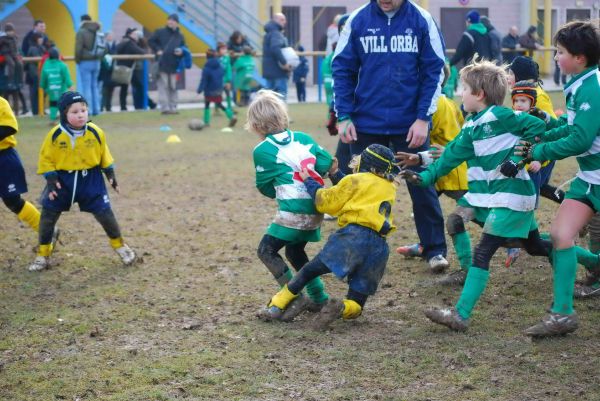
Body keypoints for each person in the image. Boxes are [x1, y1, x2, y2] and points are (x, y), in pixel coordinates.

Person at [400, 60, 549, 333]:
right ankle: (591, 261)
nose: (460, 94)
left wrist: (518, 156)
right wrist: (423, 177)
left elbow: (539, 128)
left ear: (479, 94)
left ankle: (460, 313)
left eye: (464, 88)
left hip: (513, 194)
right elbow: (451, 156)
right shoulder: (471, 125)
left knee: (484, 250)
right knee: (537, 246)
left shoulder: (502, 116)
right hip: (490, 195)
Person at [333, 0, 449, 272]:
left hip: (411, 124)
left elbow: (435, 71)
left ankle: (434, 250)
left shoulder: (422, 20)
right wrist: (344, 115)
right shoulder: (358, 20)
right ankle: (355, 252)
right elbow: (342, 69)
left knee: (422, 185)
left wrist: (423, 118)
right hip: (365, 123)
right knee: (360, 190)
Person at [514, 21, 600, 336]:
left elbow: (579, 139)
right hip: (590, 178)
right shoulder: (580, 82)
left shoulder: (593, 87)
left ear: (580, 57)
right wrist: (543, 134)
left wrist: (541, 150)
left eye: (560, 52)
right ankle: (563, 314)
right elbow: (571, 128)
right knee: (561, 235)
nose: (555, 57)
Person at [258, 143, 399, 328]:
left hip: (353, 238)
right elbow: (356, 190)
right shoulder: (389, 187)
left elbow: (326, 203)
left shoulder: (355, 180)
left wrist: (309, 180)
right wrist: (334, 172)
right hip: (379, 247)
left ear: (365, 163)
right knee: (357, 302)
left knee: (309, 271)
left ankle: (276, 306)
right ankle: (342, 307)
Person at [248, 90, 334, 321]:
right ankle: (319, 297)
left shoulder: (262, 150)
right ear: (283, 116)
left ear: (255, 125)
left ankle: (293, 296)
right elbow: (328, 164)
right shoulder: (305, 138)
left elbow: (264, 186)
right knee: (295, 251)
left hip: (294, 212)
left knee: (266, 250)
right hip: (316, 208)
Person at [29, 91, 136, 272]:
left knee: (105, 214)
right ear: (64, 114)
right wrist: (51, 178)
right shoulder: (55, 135)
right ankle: (43, 255)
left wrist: (110, 173)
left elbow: (104, 155)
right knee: (47, 217)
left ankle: (121, 247)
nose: (80, 115)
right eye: (75, 112)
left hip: (91, 179)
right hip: (62, 181)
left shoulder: (96, 132)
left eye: (83, 110)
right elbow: (46, 158)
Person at [395, 64, 468, 262]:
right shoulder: (449, 103)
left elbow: (440, 139)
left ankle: (509, 238)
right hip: (439, 167)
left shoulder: (435, 106)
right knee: (423, 204)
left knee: (474, 211)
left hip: (449, 168)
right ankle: (426, 245)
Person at [0, 96, 46, 244]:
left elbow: (10, 127)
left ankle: (47, 231)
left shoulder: (1, 103)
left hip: (4, 158)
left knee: (13, 202)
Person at [149, 14, 185, 114]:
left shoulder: (180, 35)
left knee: (173, 87)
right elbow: (151, 41)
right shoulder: (160, 32)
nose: (170, 22)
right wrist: (157, 50)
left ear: (177, 23)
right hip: (162, 63)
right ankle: (165, 108)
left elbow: (184, 47)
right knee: (163, 86)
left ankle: (173, 107)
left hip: (174, 64)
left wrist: (181, 51)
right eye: (169, 20)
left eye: (173, 20)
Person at [197, 49, 236, 128]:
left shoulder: (206, 68)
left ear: (207, 57)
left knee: (207, 104)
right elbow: (222, 74)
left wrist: (200, 89)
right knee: (219, 104)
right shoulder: (219, 66)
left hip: (209, 90)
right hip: (219, 89)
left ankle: (206, 122)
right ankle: (231, 116)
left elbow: (204, 80)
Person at [75, 14, 105, 116]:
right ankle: (97, 109)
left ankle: (89, 110)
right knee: (95, 86)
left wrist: (77, 60)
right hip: (97, 61)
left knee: (86, 86)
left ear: (82, 21)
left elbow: (78, 48)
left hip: (85, 61)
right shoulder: (98, 30)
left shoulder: (81, 31)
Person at [115, 28, 146, 111]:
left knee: (124, 88)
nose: (136, 36)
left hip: (123, 67)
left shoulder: (124, 41)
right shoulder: (130, 42)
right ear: (130, 34)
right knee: (139, 86)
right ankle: (141, 105)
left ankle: (123, 106)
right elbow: (140, 51)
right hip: (128, 69)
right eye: (135, 34)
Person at [262, 13, 291, 100]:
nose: (285, 22)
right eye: (282, 20)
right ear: (276, 20)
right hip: (278, 71)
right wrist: (284, 63)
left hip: (268, 71)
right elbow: (275, 48)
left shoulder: (268, 34)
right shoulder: (276, 33)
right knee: (280, 99)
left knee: (268, 100)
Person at [40, 47, 73, 123]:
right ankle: (64, 118)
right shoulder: (62, 65)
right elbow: (66, 77)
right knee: (63, 103)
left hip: (51, 88)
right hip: (61, 88)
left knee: (53, 103)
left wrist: (43, 86)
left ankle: (52, 118)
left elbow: (43, 77)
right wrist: (70, 85)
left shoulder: (46, 65)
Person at [0, 23, 27, 115]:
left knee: (19, 64)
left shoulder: (14, 38)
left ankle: (19, 80)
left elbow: (17, 50)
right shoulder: (3, 39)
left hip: (14, 79)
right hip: (6, 79)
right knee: (5, 96)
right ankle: (6, 113)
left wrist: (17, 55)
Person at [24, 33, 45, 116]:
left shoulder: (40, 47)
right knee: (34, 93)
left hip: (37, 74)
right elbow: (37, 60)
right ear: (36, 39)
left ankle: (39, 110)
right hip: (34, 75)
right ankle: (36, 111)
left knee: (39, 92)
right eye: (40, 38)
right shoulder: (33, 48)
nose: (41, 40)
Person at [99, 32, 117, 112]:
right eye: (109, 36)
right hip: (105, 70)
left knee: (111, 89)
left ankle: (109, 106)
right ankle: (102, 106)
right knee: (104, 90)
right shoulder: (104, 46)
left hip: (112, 71)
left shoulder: (115, 45)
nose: (111, 37)